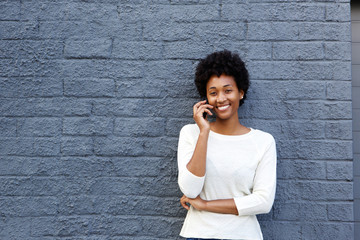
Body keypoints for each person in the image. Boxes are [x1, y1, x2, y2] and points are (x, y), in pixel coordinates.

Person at [177, 50, 277, 240]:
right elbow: (190, 190)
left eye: (228, 90)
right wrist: (204, 132)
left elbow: (263, 201)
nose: (221, 98)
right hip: (198, 234)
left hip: (243, 235)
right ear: (206, 98)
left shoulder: (263, 142)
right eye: (213, 93)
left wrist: (205, 205)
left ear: (241, 92)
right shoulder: (191, 133)